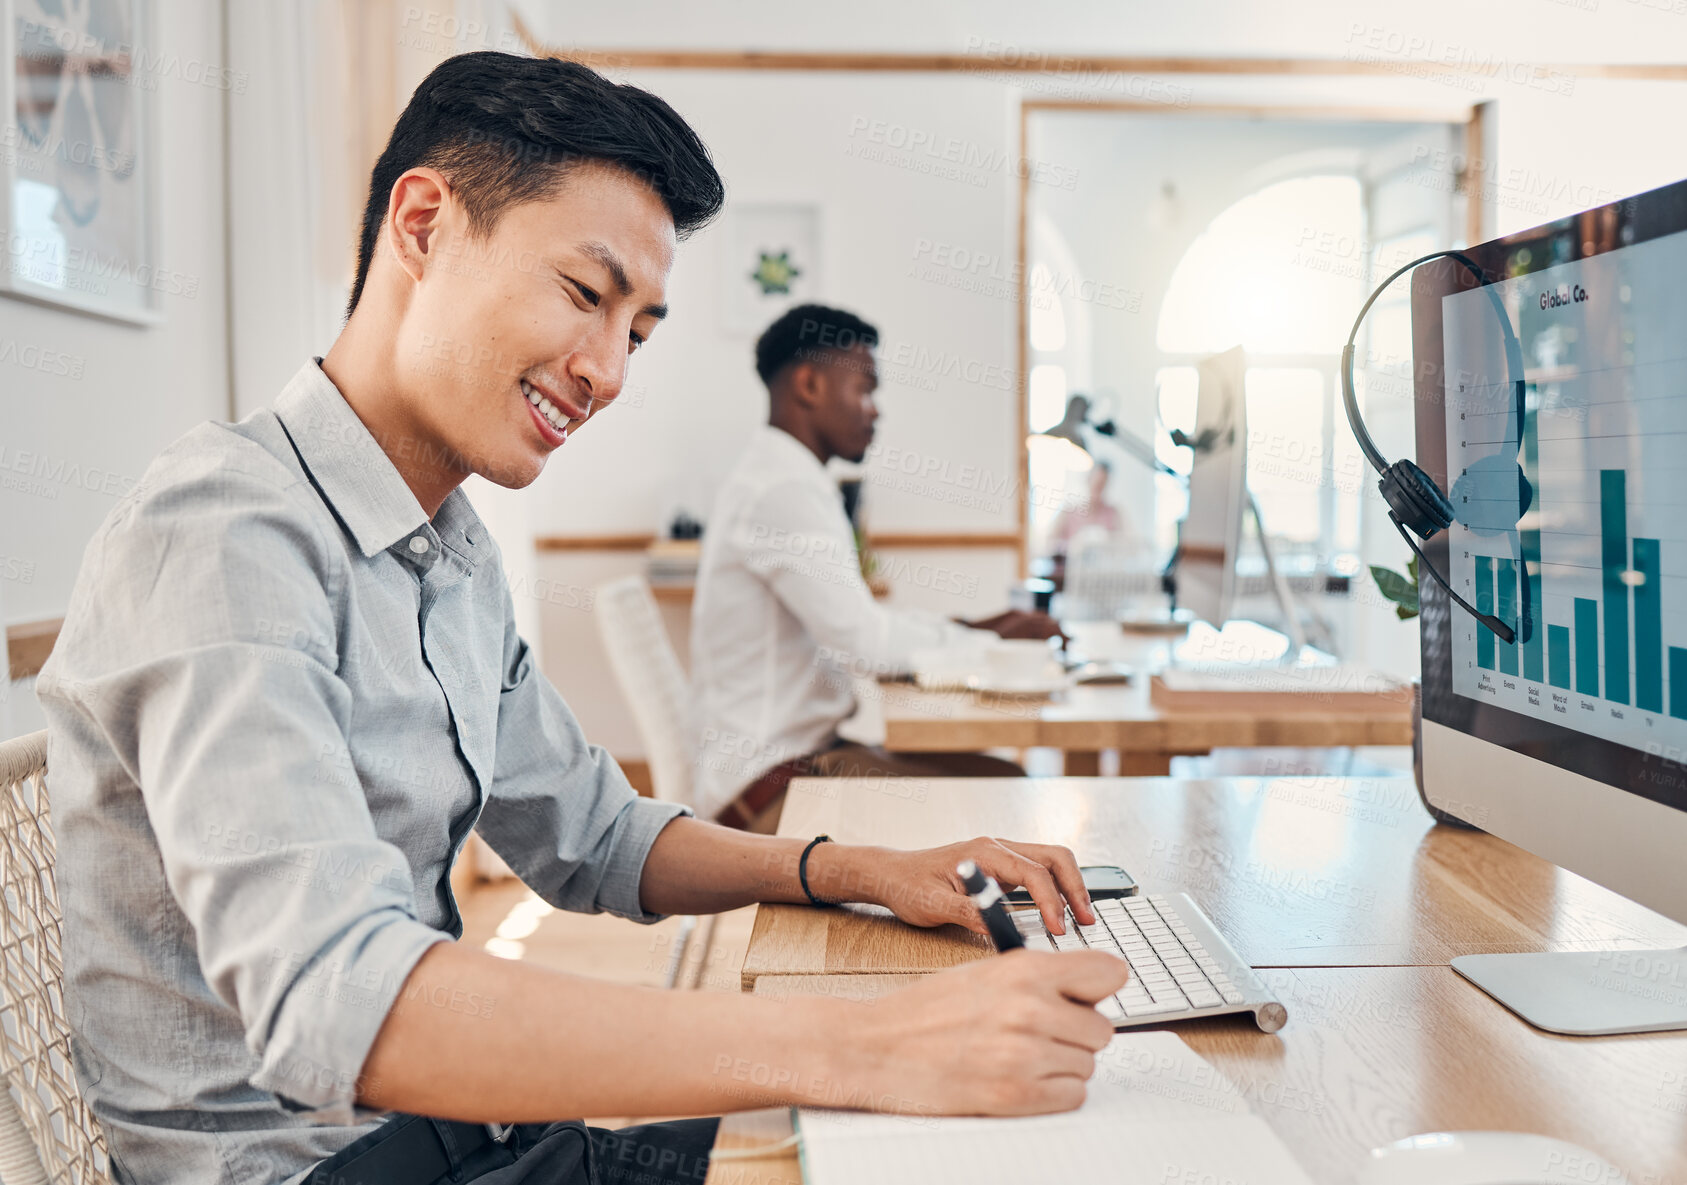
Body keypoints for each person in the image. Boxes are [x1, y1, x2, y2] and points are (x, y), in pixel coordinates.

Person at [35, 52, 1126, 1185]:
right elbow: (343, 1009)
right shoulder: (223, 533)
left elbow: (598, 839)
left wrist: (859, 869)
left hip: (445, 1141)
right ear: (422, 226)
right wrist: (868, 1047)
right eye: (584, 293)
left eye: (639, 331)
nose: (608, 372)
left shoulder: (447, 549)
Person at [692, 305, 1062, 832]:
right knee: (1003, 795)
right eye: (864, 389)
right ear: (810, 385)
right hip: (772, 785)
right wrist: (992, 644)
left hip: (799, 763)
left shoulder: (784, 478)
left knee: (1002, 780)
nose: (875, 410)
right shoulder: (785, 491)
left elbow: (863, 623)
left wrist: (969, 630)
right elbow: (867, 644)